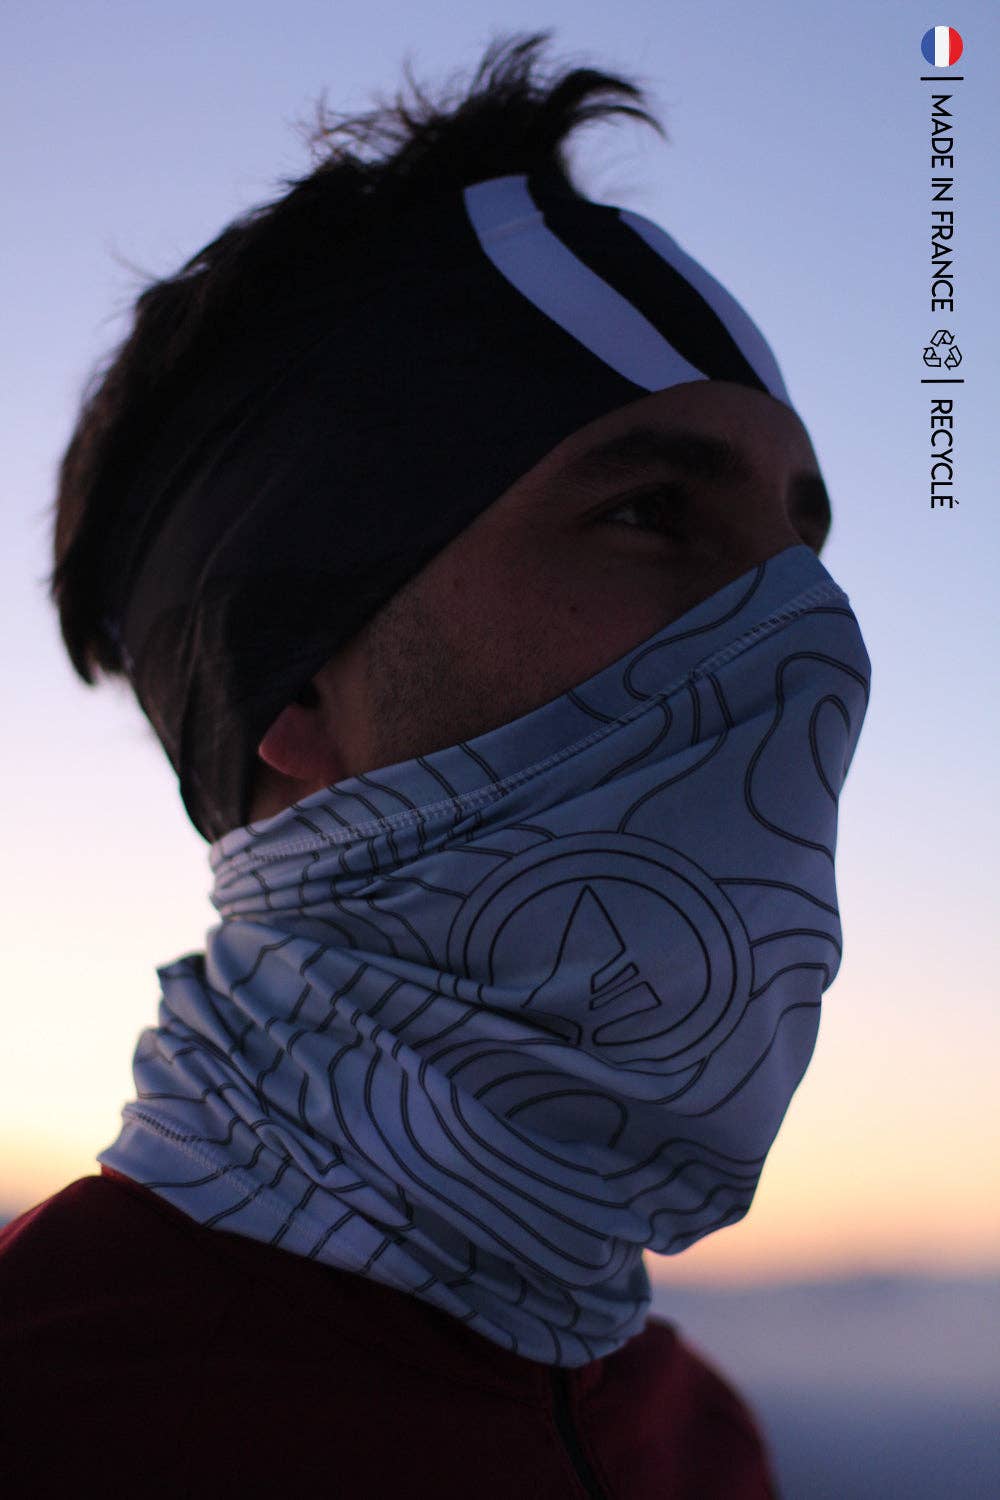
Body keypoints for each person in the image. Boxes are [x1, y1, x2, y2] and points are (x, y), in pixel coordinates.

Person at [1, 31, 870, 1497]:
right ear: (295, 678)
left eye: (802, 546)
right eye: (652, 513)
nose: (815, 640)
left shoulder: (697, 1439)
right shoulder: (48, 1412)